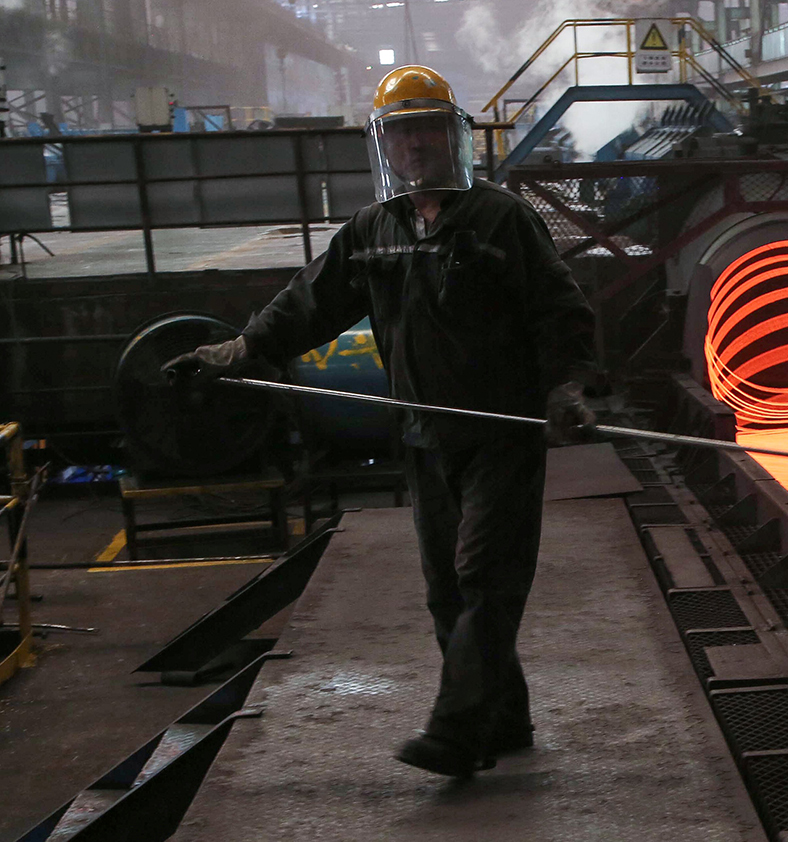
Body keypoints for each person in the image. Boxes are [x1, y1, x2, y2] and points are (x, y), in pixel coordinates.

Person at [162, 65, 596, 778]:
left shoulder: (499, 219)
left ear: (450, 136)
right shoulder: (372, 231)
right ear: (385, 144)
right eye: (402, 131)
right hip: (423, 435)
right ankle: (505, 717)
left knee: (485, 578)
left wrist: (567, 388)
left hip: (498, 435)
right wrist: (239, 350)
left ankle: (457, 733)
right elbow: (310, 304)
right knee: (447, 591)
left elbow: (560, 308)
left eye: (428, 126)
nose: (416, 143)